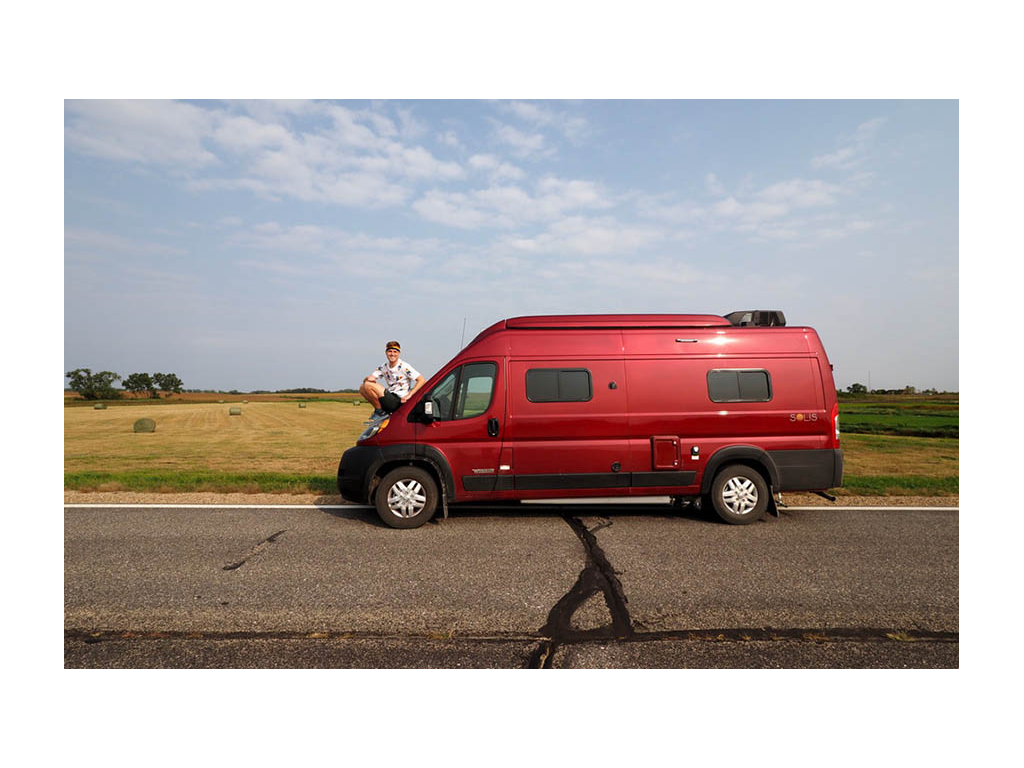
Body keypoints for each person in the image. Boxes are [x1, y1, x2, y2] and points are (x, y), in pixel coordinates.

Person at [360, 340, 426, 418]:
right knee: (362, 388)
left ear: (399, 353)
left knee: (368, 385)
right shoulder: (384, 366)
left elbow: (422, 380)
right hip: (390, 396)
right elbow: (369, 380)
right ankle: (380, 411)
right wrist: (367, 379)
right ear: (386, 353)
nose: (392, 354)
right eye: (390, 351)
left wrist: (410, 395)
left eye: (395, 352)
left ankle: (380, 412)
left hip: (399, 400)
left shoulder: (404, 366)